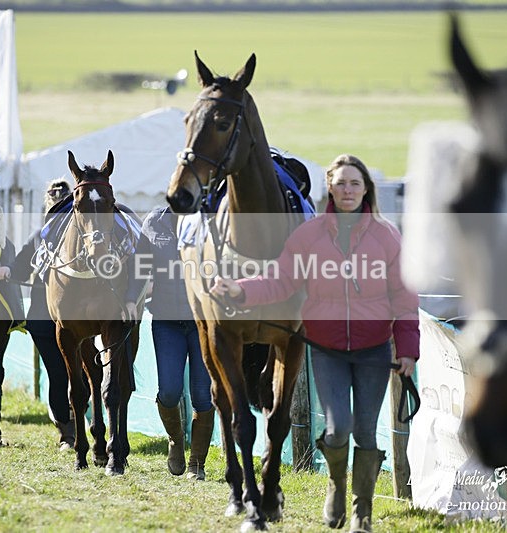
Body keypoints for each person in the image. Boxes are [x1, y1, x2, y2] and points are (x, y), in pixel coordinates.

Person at [211, 154, 420, 531]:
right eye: (340, 183)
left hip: (373, 350)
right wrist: (239, 291)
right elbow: (280, 280)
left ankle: (362, 512)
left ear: (366, 188)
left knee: (366, 432)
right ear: (330, 189)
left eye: (355, 183)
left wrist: (407, 349)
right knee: (338, 429)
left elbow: (405, 298)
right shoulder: (308, 236)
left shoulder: (387, 235)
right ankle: (336, 489)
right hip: (327, 350)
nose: (348, 190)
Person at [124, 205, 215, 480]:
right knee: (169, 392)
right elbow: (140, 265)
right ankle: (175, 439)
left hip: (202, 323)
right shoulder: (154, 222)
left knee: (202, 395)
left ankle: (197, 464)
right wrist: (130, 297)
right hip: (166, 321)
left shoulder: (210, 219)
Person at [0, 178, 75, 450]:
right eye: (56, 202)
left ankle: (74, 422)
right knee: (59, 374)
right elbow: (19, 268)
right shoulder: (40, 237)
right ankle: (66, 431)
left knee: (79, 375)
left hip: (75, 320)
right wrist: (7, 271)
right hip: (43, 320)